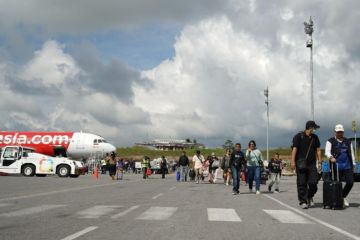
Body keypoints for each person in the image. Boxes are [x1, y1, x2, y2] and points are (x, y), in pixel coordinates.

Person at [291, 120, 322, 209]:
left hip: (312, 164)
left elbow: (318, 150)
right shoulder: (298, 137)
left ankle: (309, 196)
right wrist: (292, 162)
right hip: (301, 163)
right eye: (314, 128)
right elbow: (294, 149)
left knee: (313, 182)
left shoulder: (315, 137)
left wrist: (319, 162)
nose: (315, 130)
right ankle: (303, 201)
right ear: (310, 128)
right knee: (302, 183)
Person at [325, 124, 356, 207]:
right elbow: (327, 151)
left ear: (343, 132)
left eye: (341, 132)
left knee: (350, 182)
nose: (340, 134)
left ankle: (343, 196)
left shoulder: (348, 141)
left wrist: (353, 163)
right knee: (336, 183)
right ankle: (337, 199)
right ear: (335, 132)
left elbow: (351, 153)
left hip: (347, 165)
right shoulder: (330, 141)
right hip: (336, 166)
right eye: (338, 132)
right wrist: (331, 157)